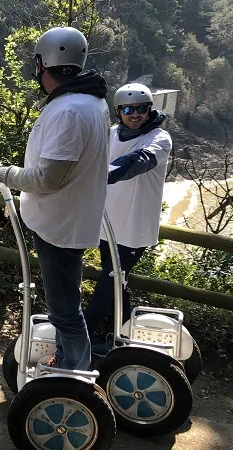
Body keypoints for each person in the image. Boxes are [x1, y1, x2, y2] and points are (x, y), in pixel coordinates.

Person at [0, 26, 110, 372]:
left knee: (64, 310)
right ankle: (67, 361)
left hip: (60, 225)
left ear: (41, 63)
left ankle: (73, 376)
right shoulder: (91, 101)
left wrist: (2, 173)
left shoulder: (70, 111)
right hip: (67, 219)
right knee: (64, 304)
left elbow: (47, 178)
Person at [85, 83, 173, 355]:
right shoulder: (111, 134)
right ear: (118, 111)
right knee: (116, 283)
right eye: (128, 109)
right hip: (108, 225)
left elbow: (138, 161)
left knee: (108, 284)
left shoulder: (159, 138)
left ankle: (79, 340)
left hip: (134, 229)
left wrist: (99, 176)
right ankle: (123, 340)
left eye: (141, 108)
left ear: (149, 110)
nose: (135, 114)